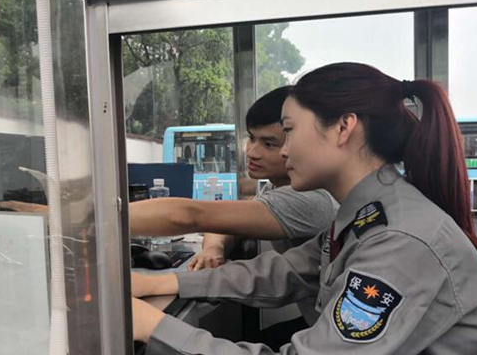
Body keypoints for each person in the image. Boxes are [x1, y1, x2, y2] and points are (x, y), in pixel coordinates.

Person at [130, 62, 477, 355]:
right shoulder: (365, 214)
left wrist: (153, 327)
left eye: (289, 131)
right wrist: (166, 282)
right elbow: (285, 272)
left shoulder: (400, 239)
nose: (283, 150)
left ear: (344, 127)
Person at [130, 86, 338, 271]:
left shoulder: (309, 198)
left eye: (269, 144)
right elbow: (228, 222)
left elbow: (192, 215)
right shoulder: (276, 186)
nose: (252, 152)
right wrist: (213, 247)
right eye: (252, 138)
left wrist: (113, 218)